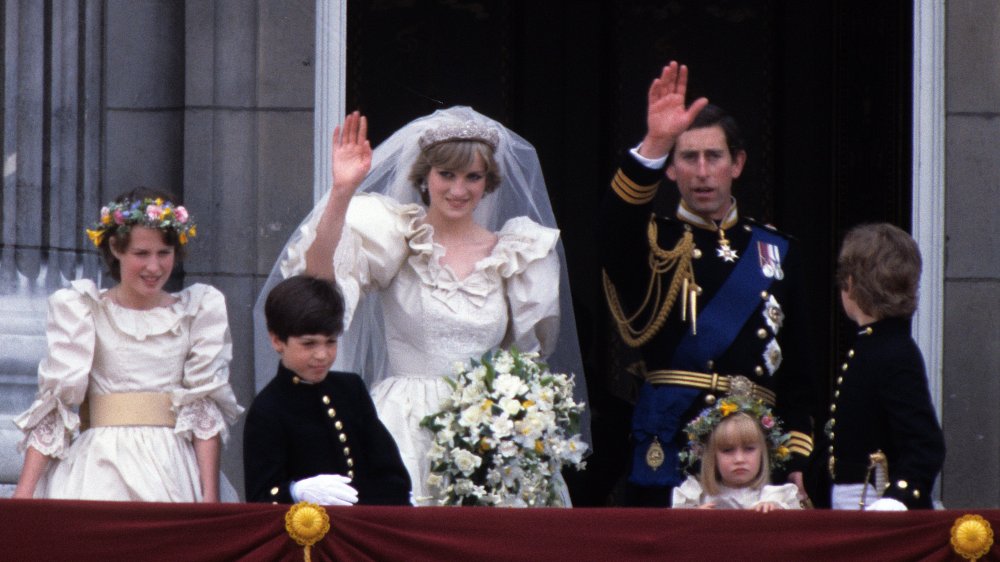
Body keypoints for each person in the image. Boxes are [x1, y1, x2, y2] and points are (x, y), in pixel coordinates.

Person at [254, 106, 587, 505]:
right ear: (425, 177)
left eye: (473, 177)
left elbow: (527, 361)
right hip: (402, 427)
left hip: (490, 432)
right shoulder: (400, 237)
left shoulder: (519, 253)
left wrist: (513, 420)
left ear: (489, 182)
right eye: (446, 174)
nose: (458, 190)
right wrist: (342, 193)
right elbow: (319, 283)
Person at [600, 61, 814, 506]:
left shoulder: (775, 252)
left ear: (736, 164)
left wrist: (797, 461)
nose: (701, 171)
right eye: (687, 157)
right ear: (671, 169)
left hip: (752, 453)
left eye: (713, 157)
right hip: (672, 440)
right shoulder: (654, 240)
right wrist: (654, 144)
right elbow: (612, 233)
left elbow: (798, 373)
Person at [12, 188, 243, 502]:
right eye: (141, 253)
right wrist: (24, 495)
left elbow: (202, 407)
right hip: (99, 468)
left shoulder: (197, 310)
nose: (154, 266)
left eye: (164, 252)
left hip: (172, 468)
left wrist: (210, 497)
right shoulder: (83, 309)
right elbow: (58, 404)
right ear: (116, 249)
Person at [244, 275, 411, 505]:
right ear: (277, 341)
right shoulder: (268, 409)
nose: (322, 354)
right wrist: (295, 492)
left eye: (331, 342)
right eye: (309, 344)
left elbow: (391, 474)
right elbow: (260, 497)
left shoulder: (351, 390)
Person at [821, 223, 945, 510]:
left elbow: (925, 445)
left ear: (850, 284)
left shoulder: (893, 352)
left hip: (874, 501)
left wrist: (898, 499)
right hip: (853, 498)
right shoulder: (874, 345)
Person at [672, 395, 800, 511]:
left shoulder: (776, 497)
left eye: (749, 449)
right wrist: (691, 517)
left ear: (763, 453)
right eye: (727, 450)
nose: (739, 459)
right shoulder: (695, 495)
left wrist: (776, 512)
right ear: (712, 456)